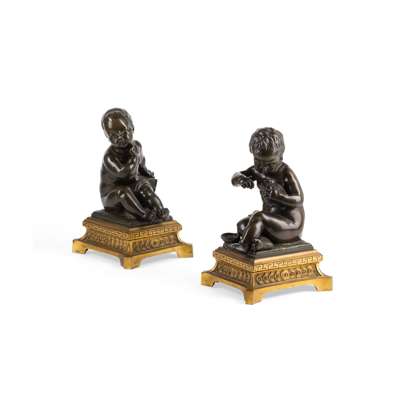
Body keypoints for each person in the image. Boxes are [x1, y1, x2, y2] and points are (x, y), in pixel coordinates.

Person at [223, 127, 304, 254]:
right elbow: (235, 177)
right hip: (271, 221)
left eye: (270, 164)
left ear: (281, 156)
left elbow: (299, 199)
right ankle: (263, 243)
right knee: (242, 224)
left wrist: (279, 197)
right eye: (258, 161)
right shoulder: (257, 170)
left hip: (290, 225)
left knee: (258, 217)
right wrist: (241, 179)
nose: (263, 167)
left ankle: (244, 245)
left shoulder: (285, 172)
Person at [99, 108, 170, 222]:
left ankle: (159, 209)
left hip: (132, 186)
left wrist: (147, 173)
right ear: (107, 136)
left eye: (123, 131)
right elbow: (125, 174)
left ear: (132, 129)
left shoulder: (137, 146)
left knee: (144, 185)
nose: (119, 137)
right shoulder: (110, 157)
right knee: (123, 193)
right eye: (113, 135)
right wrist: (134, 157)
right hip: (111, 197)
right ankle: (143, 214)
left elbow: (141, 164)